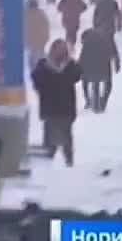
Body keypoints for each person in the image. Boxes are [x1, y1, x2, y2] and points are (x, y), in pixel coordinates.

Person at [30, 39, 83, 167]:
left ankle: (67, 160)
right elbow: (37, 81)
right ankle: (50, 159)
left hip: (62, 108)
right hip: (54, 108)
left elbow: (77, 75)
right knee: (51, 135)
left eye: (63, 50)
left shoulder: (70, 66)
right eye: (58, 50)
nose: (60, 53)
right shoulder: (44, 66)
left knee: (65, 135)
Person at [78, 27, 120, 113]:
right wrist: (117, 64)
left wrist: (79, 70)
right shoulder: (107, 36)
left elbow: (82, 58)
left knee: (86, 80)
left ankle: (88, 101)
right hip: (104, 65)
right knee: (108, 83)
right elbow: (114, 52)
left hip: (90, 67)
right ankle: (103, 102)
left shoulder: (87, 40)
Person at [25, 0, 50, 67]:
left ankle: (35, 70)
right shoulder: (41, 13)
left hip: (31, 40)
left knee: (33, 56)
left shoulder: (25, 14)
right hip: (41, 40)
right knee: (39, 55)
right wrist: (46, 37)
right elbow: (46, 26)